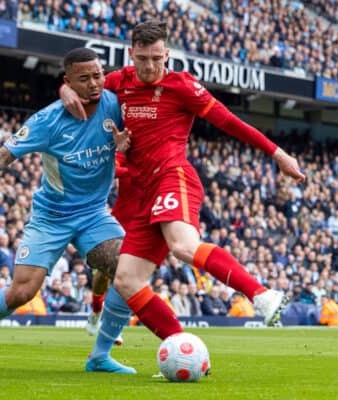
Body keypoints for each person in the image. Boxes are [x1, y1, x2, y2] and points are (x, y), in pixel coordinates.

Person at [60, 21, 305, 362]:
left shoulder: (183, 86)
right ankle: (183, 352)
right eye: (143, 58)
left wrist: (277, 153)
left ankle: (262, 295)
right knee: (127, 281)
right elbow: (83, 89)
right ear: (131, 54)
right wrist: (65, 91)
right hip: (141, 191)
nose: (149, 66)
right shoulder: (119, 82)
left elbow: (229, 122)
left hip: (173, 176)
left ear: (167, 54)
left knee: (182, 246)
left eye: (157, 58)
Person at [0, 48, 134, 373]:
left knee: (129, 271)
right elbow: (0, 157)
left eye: (97, 75)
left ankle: (100, 356)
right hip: (52, 217)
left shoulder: (115, 104)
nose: (94, 83)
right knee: (22, 291)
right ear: (68, 82)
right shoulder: (48, 120)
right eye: (83, 79)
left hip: (94, 213)